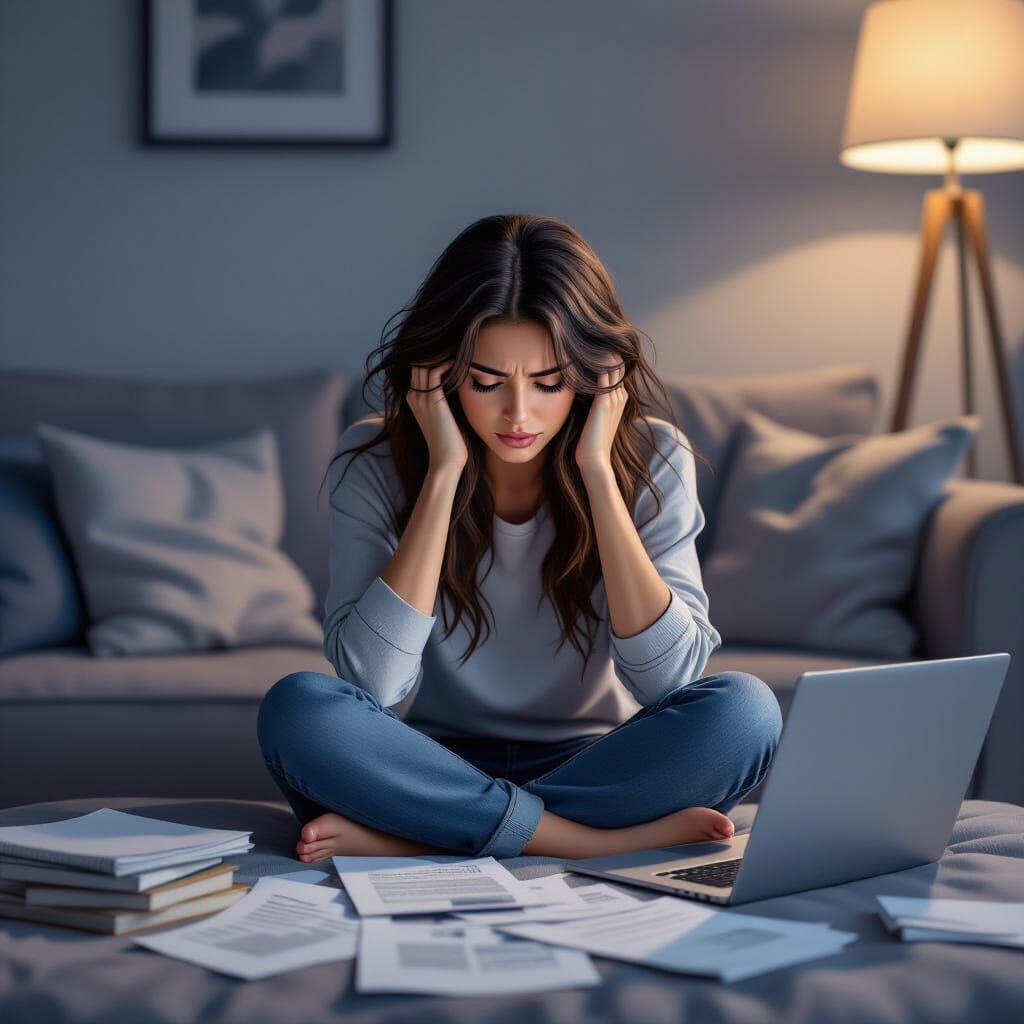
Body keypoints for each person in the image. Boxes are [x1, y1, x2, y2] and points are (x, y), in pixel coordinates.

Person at [257, 213, 782, 864]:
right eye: (486, 382)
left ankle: (423, 837)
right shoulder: (375, 458)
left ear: (595, 376)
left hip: (591, 759)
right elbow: (376, 684)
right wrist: (443, 473)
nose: (518, 415)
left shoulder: (654, 458)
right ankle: (580, 843)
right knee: (300, 708)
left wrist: (597, 472)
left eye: (549, 382)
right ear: (440, 373)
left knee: (746, 712)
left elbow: (670, 681)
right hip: (429, 759)